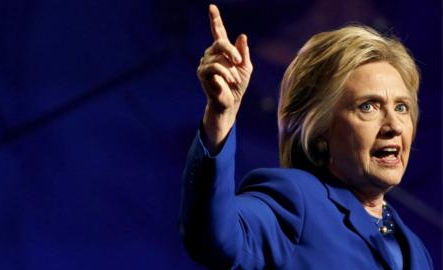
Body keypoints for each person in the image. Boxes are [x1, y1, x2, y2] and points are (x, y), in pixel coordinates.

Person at [179, 4, 433, 270]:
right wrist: (221, 116)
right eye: (367, 106)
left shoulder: (414, 248)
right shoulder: (296, 200)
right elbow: (215, 238)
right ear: (320, 129)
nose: (393, 125)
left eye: (402, 107)